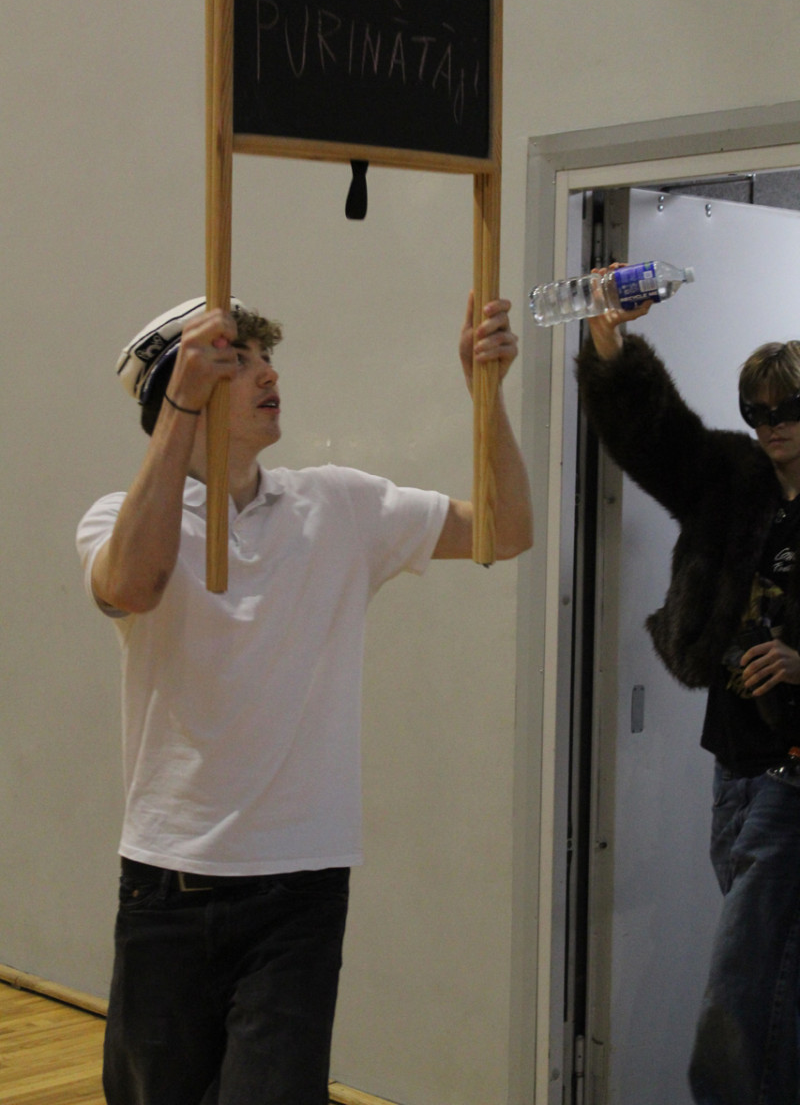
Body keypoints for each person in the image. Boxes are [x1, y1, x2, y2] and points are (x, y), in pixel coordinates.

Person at [76, 291, 532, 1105]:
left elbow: (506, 530)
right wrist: (182, 407)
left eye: (267, 358)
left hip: (302, 885)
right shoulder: (117, 518)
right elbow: (134, 585)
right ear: (177, 387)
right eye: (239, 361)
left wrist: (485, 395)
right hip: (170, 881)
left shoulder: (339, 504)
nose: (269, 375)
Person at [575, 274, 800, 1105]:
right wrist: (609, 343)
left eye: (788, 409)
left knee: (742, 990)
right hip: (734, 761)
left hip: (790, 772)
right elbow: (656, 438)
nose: (771, 425)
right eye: (757, 411)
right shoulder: (733, 478)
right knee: (774, 979)